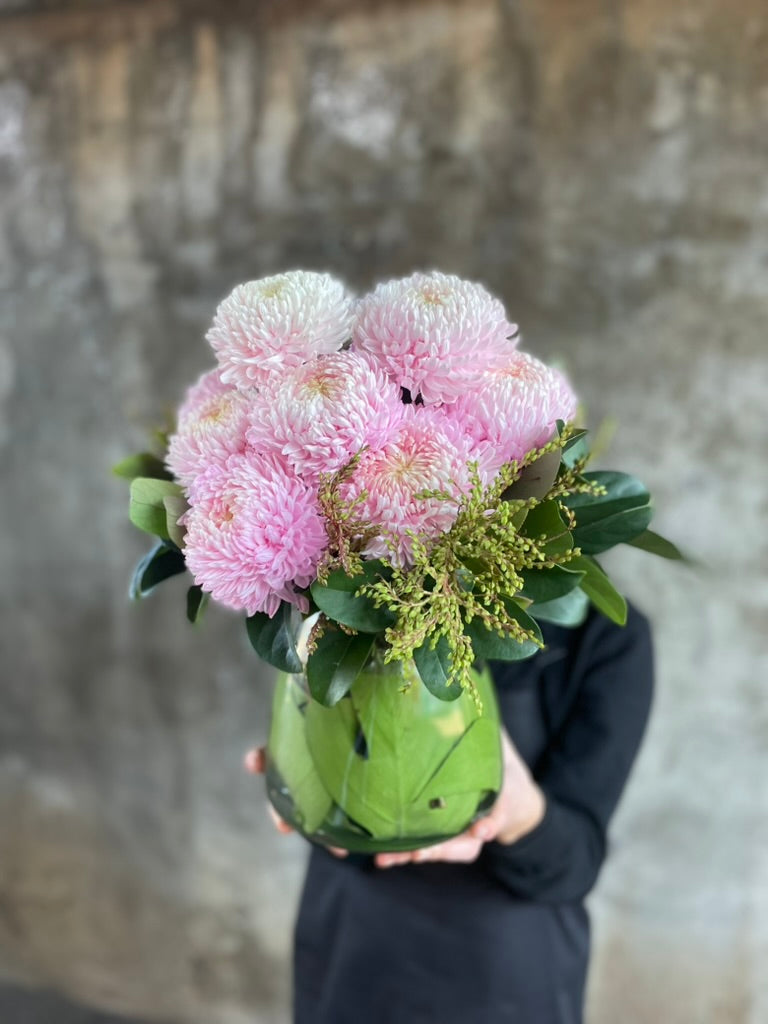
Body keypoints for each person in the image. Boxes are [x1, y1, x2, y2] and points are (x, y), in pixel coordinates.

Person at [246, 603, 654, 1024]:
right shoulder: (349, 605)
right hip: (352, 943)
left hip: (499, 970)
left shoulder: (606, 635)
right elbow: (327, 736)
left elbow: (575, 861)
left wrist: (518, 812)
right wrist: (303, 771)